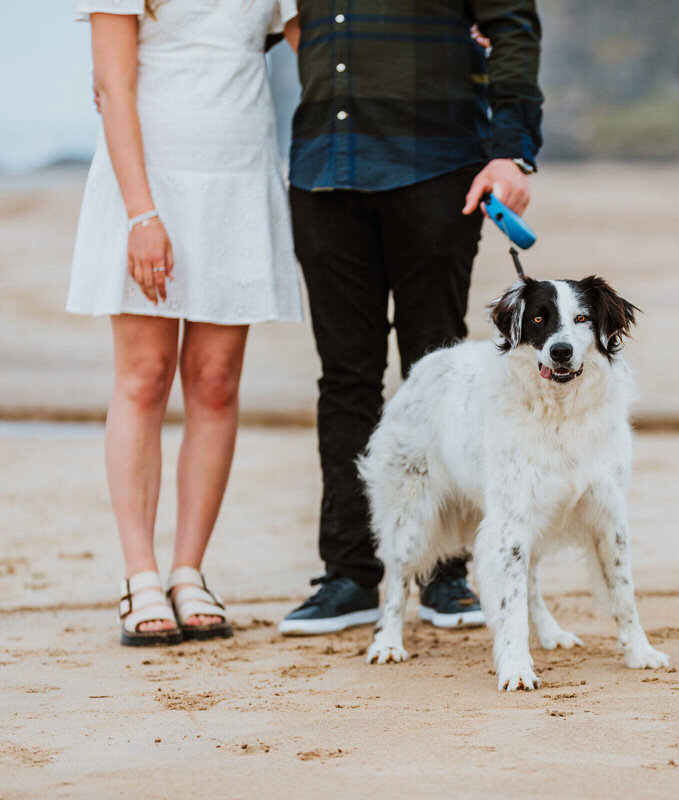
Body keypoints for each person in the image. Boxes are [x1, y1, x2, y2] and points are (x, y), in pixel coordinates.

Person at [276, 1, 543, 635]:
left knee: (443, 374)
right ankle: (350, 575)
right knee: (345, 377)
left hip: (437, 166)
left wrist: (512, 152)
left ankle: (445, 574)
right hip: (323, 174)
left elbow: (514, 26)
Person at [70, 0, 303, 646]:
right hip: (149, 182)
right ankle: (140, 575)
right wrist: (142, 215)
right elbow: (114, 85)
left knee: (216, 382)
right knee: (145, 378)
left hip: (239, 179)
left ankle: (188, 570)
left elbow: (321, 45)